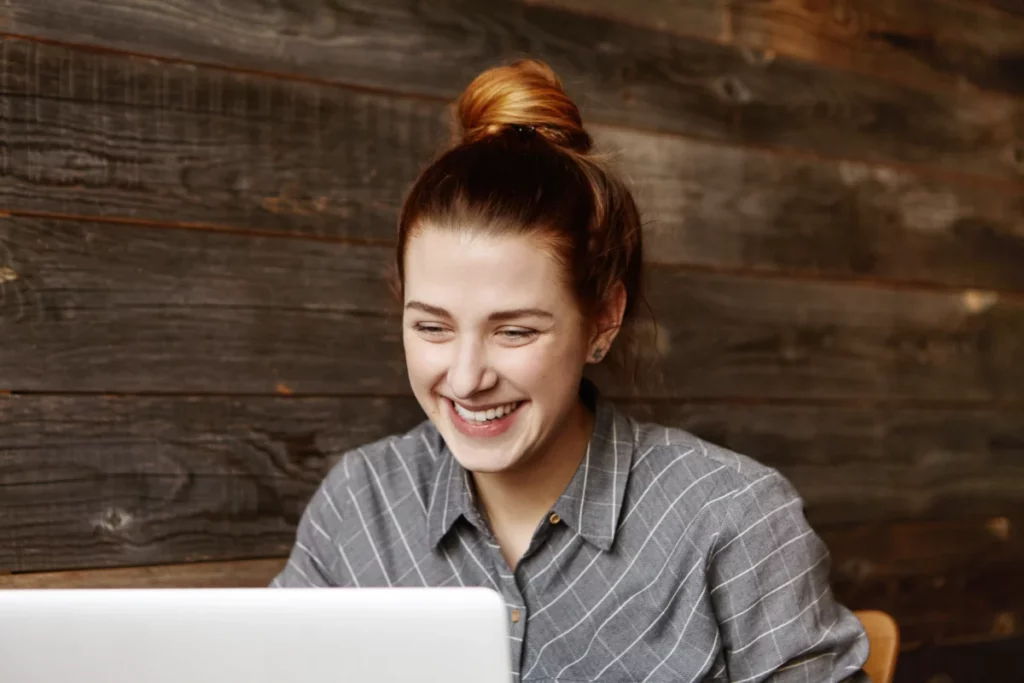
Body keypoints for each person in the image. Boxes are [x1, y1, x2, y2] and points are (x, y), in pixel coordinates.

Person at [271, 59, 870, 682]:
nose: (467, 377)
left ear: (603, 319)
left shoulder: (734, 519)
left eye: (515, 331)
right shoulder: (361, 504)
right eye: (432, 327)